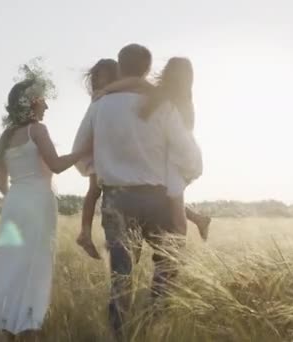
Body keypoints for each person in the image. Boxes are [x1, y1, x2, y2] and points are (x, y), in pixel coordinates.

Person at [72, 44, 202, 339]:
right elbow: (188, 155)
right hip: (157, 199)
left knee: (122, 273)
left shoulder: (99, 105)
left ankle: (120, 335)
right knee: (169, 262)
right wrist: (180, 178)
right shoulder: (162, 104)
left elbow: (80, 153)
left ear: (120, 67)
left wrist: (103, 168)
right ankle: (153, 319)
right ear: (147, 68)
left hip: (116, 199)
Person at [0, 66, 87, 342]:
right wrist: (85, 150)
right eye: (43, 100)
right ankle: (27, 327)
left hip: (15, 203)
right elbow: (57, 165)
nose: (47, 106)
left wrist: (19, 193)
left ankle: (0, 327)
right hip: (38, 202)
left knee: (8, 264)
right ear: (33, 103)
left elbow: (2, 184)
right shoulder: (37, 131)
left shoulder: (6, 137)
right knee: (35, 264)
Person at [92, 57, 211, 240]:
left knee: (173, 200)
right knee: (168, 197)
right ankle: (194, 226)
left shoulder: (161, 94)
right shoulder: (184, 99)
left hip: (175, 155)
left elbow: (136, 82)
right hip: (184, 153)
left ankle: (178, 249)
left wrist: (107, 90)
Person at [76, 59, 119, 260]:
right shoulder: (103, 96)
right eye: (96, 75)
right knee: (94, 189)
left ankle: (85, 233)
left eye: (99, 75)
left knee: (94, 190)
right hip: (99, 145)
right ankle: (85, 233)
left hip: (100, 145)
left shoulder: (106, 94)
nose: (96, 79)